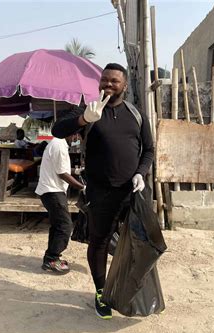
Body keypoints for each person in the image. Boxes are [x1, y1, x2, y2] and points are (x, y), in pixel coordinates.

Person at [52, 63, 154, 319]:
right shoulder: (89, 109)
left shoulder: (137, 114)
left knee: (138, 243)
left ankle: (135, 290)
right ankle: (102, 292)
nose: (108, 85)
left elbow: (149, 150)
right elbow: (57, 130)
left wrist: (141, 173)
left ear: (125, 86)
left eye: (114, 81)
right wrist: (84, 119)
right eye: (104, 80)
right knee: (99, 242)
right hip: (100, 193)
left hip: (131, 191)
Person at [35, 134, 85, 274]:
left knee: (57, 225)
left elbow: (60, 168)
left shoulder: (58, 143)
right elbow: (62, 173)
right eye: (77, 135)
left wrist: (76, 171)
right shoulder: (59, 145)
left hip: (50, 190)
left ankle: (50, 257)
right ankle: (52, 259)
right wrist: (82, 187)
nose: (77, 139)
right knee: (65, 226)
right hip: (53, 191)